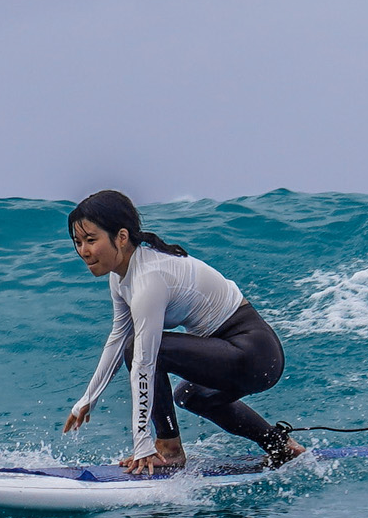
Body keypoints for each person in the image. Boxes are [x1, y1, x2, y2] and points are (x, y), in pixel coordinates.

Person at [61, 190, 305, 476]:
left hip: (253, 354)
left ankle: (169, 448)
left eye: (91, 240)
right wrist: (88, 399)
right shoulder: (122, 276)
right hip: (244, 353)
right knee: (191, 396)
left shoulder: (149, 278)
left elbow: (144, 360)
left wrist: (142, 442)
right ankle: (279, 445)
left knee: (140, 349)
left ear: (122, 237)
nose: (84, 251)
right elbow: (117, 339)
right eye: (78, 242)